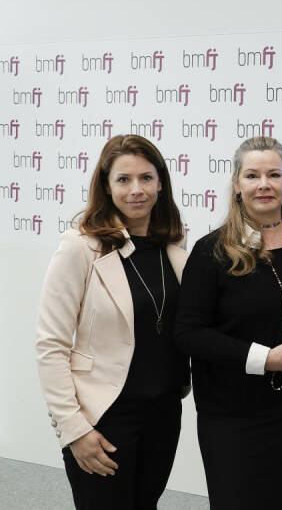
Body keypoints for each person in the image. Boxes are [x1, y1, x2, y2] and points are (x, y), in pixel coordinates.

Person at [36, 134, 189, 509]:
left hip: (164, 413)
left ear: (161, 182)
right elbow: (50, 345)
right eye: (123, 180)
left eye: (146, 178)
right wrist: (74, 430)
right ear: (106, 185)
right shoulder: (80, 246)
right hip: (104, 417)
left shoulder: (174, 244)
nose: (136, 190)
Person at [174, 137, 282, 510]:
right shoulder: (212, 251)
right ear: (237, 184)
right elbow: (188, 333)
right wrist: (266, 358)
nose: (264, 184)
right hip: (231, 415)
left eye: (274, 174)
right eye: (253, 175)